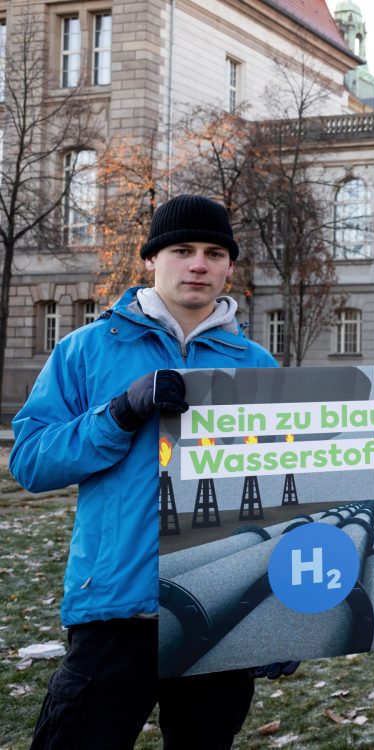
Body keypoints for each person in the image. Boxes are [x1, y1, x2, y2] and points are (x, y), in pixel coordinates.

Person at [11, 195, 286, 749]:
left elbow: (291, 493)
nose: (198, 264)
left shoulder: (258, 365)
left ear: (230, 266)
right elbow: (31, 461)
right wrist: (117, 414)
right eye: (182, 249)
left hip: (220, 607)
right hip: (117, 608)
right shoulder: (86, 350)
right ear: (151, 259)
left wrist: (283, 614)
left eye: (213, 252)